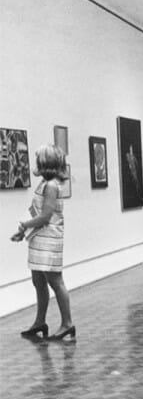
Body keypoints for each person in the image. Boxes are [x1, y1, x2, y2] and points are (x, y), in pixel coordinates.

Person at [9, 145, 75, 341]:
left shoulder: (52, 186)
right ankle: (40, 322)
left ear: (46, 163)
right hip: (39, 238)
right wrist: (24, 232)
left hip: (49, 238)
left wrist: (24, 225)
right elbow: (37, 213)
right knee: (38, 281)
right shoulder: (44, 183)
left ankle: (67, 323)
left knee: (55, 280)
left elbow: (45, 216)